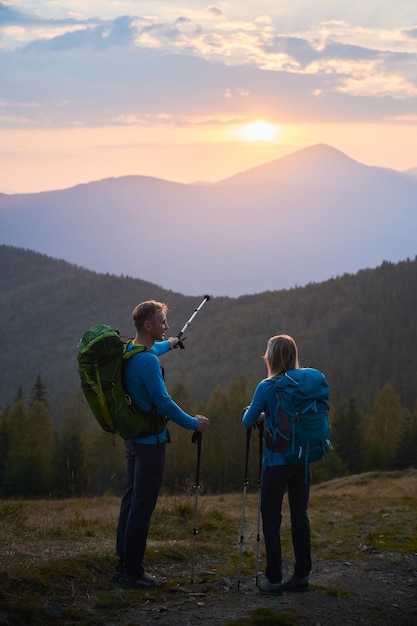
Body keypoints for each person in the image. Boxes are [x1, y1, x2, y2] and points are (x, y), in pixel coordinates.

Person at [115, 300, 209, 590]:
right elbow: (164, 403)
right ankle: (133, 572)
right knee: (142, 507)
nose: (166, 326)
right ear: (148, 325)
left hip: (133, 439)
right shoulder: (147, 362)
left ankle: (124, 565)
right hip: (150, 445)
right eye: (162, 322)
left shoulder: (131, 350)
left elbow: (150, 350)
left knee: (131, 501)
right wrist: (194, 423)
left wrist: (169, 344)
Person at [242, 334, 319, 594]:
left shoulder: (266, 386)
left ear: (272, 357)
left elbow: (247, 421)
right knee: (300, 516)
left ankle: (273, 578)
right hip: (302, 457)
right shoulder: (305, 383)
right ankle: (301, 575)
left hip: (276, 462)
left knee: (271, 518)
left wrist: (258, 412)